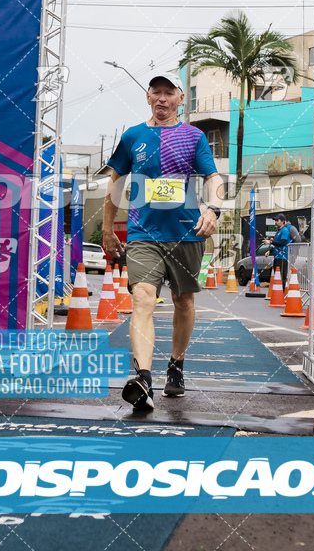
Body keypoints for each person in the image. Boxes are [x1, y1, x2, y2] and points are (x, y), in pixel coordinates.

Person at [102, 71, 223, 410]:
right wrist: (109, 227)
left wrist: (213, 209)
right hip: (143, 234)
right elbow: (115, 183)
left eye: (169, 93)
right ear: (148, 97)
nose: (162, 99)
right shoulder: (133, 136)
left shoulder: (193, 136)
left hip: (187, 233)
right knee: (142, 298)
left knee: (183, 302)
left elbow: (213, 177)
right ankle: (143, 377)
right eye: (156, 92)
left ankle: (176, 365)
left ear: (180, 99)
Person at [264, 213, 292, 290]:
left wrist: (270, 242)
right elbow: (276, 244)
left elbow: (282, 243)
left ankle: (281, 296)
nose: (275, 222)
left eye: (277, 220)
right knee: (277, 277)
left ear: (282, 221)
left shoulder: (284, 231)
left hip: (282, 257)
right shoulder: (278, 231)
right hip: (277, 257)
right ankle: (277, 295)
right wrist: (269, 251)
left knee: (281, 277)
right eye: (275, 220)